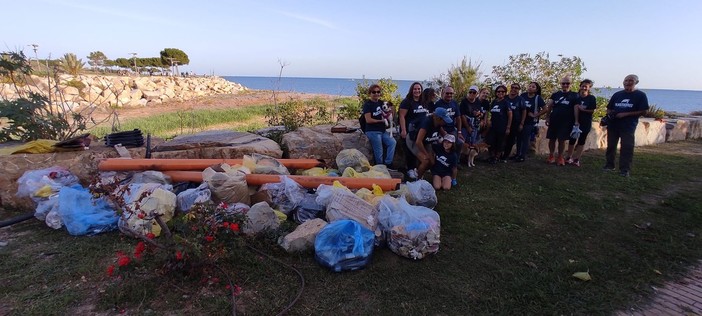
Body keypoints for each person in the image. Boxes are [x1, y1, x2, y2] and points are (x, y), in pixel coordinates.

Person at [605, 74, 649, 177]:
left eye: (631, 81)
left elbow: (644, 111)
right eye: (626, 80)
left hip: (628, 126)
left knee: (627, 147)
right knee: (611, 146)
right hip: (613, 125)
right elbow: (609, 107)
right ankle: (609, 165)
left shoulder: (640, 95)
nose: (627, 83)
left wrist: (625, 114)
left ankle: (624, 169)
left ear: (636, 82)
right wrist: (610, 114)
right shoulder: (617, 95)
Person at [537, 76, 581, 166]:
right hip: (554, 120)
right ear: (561, 84)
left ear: (571, 84)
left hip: (566, 121)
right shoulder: (555, 94)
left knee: (562, 140)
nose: (565, 85)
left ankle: (560, 156)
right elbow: (550, 106)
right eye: (563, 83)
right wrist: (547, 117)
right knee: (552, 139)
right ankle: (551, 155)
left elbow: (576, 108)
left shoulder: (575, 95)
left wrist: (576, 121)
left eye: (567, 83)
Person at [407, 107, 453, 179]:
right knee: (426, 160)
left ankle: (418, 171)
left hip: (426, 141)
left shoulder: (439, 124)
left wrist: (451, 140)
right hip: (414, 141)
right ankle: (418, 179)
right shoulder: (426, 123)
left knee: (432, 162)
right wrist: (426, 154)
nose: (445, 122)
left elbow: (444, 135)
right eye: (444, 120)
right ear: (438, 118)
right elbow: (418, 141)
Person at [432, 86, 463, 186]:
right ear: (443, 93)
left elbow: (458, 118)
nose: (449, 95)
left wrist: (459, 132)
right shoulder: (438, 104)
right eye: (447, 93)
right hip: (442, 130)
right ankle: (437, 166)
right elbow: (437, 121)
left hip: (452, 130)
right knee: (440, 144)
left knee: (459, 143)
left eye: (451, 93)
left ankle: (454, 163)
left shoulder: (454, 103)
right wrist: (443, 133)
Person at [399, 82, 429, 180]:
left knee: (421, 148)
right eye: (415, 89)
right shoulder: (407, 102)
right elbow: (402, 116)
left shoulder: (423, 102)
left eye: (419, 89)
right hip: (410, 131)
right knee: (410, 150)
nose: (417, 91)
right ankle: (410, 169)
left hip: (421, 131)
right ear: (412, 90)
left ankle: (421, 167)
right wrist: (403, 130)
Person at [362, 84, 397, 168]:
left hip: (382, 130)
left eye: (378, 92)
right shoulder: (368, 105)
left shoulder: (381, 103)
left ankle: (388, 163)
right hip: (372, 130)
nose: (376, 94)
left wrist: (391, 111)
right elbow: (368, 120)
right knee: (379, 150)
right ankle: (380, 167)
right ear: (370, 93)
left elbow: (391, 108)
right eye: (374, 92)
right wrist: (381, 120)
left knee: (392, 142)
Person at [566, 79, 597, 167]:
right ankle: (569, 157)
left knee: (581, 141)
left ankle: (577, 159)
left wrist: (584, 110)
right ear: (580, 86)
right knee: (572, 140)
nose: (584, 88)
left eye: (586, 87)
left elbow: (592, 110)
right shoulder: (575, 96)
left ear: (589, 88)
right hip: (574, 122)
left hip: (585, 122)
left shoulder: (591, 98)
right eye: (582, 86)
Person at [519, 81, 546, 162]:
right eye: (529, 86)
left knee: (525, 138)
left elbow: (545, 109)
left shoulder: (538, 98)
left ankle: (522, 156)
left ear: (536, 89)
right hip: (521, 120)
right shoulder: (523, 95)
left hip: (530, 121)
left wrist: (536, 115)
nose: (530, 87)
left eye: (533, 87)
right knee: (519, 138)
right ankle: (517, 154)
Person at [485, 85, 512, 164]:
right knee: (490, 141)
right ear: (496, 93)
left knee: (500, 142)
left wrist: (508, 127)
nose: (500, 93)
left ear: (505, 93)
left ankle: (497, 157)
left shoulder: (506, 103)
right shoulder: (494, 102)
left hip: (502, 126)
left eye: (502, 92)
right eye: (498, 91)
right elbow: (491, 113)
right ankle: (492, 156)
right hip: (493, 126)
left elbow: (510, 115)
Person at [502, 83, 526, 161]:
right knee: (502, 139)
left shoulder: (520, 99)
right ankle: (498, 154)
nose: (514, 89)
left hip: (515, 123)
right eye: (512, 87)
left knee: (511, 140)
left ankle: (505, 156)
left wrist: (522, 123)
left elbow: (524, 111)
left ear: (518, 90)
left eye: (516, 88)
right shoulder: (505, 98)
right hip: (503, 122)